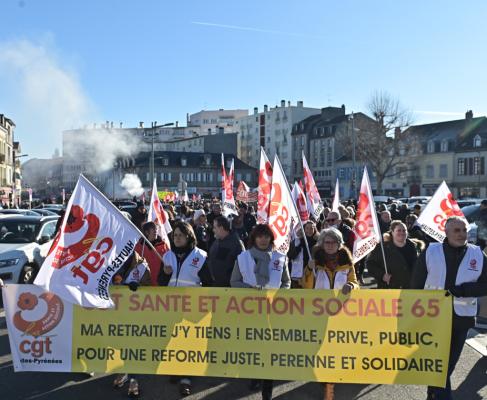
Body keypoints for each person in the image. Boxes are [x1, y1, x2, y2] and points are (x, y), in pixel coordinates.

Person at [411, 216, 487, 400]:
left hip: (461, 319)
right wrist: (411, 318)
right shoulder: (430, 251)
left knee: (447, 366)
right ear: (446, 232)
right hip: (432, 318)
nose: (462, 234)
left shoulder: (477, 254)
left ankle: (433, 392)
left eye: (464, 231)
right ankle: (441, 396)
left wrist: (463, 290)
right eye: (456, 230)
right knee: (440, 366)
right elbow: (415, 285)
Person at [230, 224, 291, 400]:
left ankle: (267, 389)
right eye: (260, 236)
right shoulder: (243, 258)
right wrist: (250, 290)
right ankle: (255, 375)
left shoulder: (280, 258)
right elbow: (234, 281)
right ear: (254, 238)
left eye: (266, 236)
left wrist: (279, 296)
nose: (263, 239)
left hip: (274, 312)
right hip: (250, 312)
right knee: (253, 348)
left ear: (271, 238)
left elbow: (286, 282)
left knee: (270, 349)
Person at [301, 227, 359, 400]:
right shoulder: (315, 261)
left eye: (334, 242)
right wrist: (310, 270)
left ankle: (331, 379)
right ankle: (324, 378)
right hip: (318, 311)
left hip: (341, 311)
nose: (330, 245)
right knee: (320, 345)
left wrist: (352, 286)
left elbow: (355, 282)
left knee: (336, 344)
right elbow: (306, 285)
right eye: (327, 242)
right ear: (322, 243)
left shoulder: (347, 262)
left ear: (339, 244)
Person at [158, 221, 212, 396]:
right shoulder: (167, 256)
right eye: (175, 235)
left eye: (181, 235)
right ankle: (175, 368)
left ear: (189, 236)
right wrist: (165, 275)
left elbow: (209, 283)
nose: (177, 238)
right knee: (173, 339)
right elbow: (160, 282)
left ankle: (186, 378)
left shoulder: (201, 256)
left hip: (192, 307)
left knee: (189, 342)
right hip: (172, 306)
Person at [111, 250, 151, 398]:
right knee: (121, 344)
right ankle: (124, 372)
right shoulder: (111, 260)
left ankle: (135, 379)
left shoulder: (141, 264)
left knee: (134, 346)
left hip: (135, 313)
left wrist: (138, 286)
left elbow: (149, 286)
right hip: (116, 312)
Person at [366, 220, 424, 289]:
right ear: (392, 232)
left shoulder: (413, 247)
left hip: (409, 289)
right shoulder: (382, 247)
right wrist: (382, 275)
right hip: (389, 289)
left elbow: (418, 267)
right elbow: (370, 264)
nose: (402, 232)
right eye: (399, 230)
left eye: (404, 230)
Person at [208, 215, 245, 287]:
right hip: (216, 286)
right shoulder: (217, 241)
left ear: (221, 228)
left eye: (215, 227)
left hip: (228, 290)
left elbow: (243, 268)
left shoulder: (236, 244)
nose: (213, 230)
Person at [134, 221, 169, 286]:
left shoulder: (164, 245)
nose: (156, 230)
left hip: (160, 284)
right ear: (147, 232)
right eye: (153, 228)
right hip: (144, 284)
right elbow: (134, 265)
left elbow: (170, 262)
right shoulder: (139, 246)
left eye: (156, 228)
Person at [287, 221, 319, 288]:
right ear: (304, 229)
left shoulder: (318, 242)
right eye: (307, 228)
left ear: (314, 229)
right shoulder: (297, 241)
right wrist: (299, 246)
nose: (309, 230)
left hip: (311, 274)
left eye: (311, 228)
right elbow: (290, 256)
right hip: (298, 275)